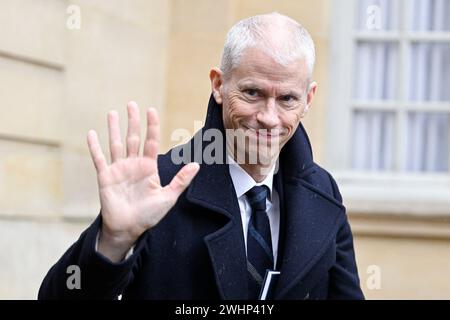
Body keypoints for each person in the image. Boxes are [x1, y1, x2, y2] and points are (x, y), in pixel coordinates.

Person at [38, 12, 364, 300]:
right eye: (252, 92)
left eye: (287, 99)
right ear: (218, 85)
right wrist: (114, 240)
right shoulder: (158, 184)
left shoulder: (323, 192)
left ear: (308, 99)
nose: (268, 116)